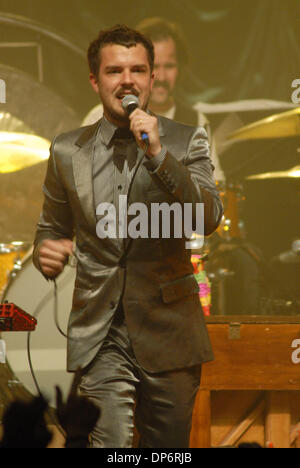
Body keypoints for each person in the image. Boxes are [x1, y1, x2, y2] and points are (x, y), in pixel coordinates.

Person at [33, 24, 223, 448]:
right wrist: (45, 250)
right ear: (95, 80)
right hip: (100, 331)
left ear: (153, 77)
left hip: (169, 330)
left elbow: (207, 217)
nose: (127, 81)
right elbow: (51, 226)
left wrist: (158, 155)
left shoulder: (186, 140)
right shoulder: (67, 151)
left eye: (138, 69)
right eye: (115, 71)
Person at [82, 17, 225, 182]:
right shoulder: (100, 116)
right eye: (155, 66)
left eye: (169, 66)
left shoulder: (195, 122)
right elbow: (80, 184)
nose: (162, 77)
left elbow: (215, 187)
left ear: (181, 68)